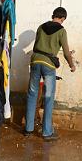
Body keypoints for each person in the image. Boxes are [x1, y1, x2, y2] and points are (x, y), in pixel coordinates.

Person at [23, 7, 76, 141]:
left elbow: (36, 46)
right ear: (63, 18)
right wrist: (72, 64)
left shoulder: (41, 27)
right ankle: (47, 132)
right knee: (48, 97)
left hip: (35, 61)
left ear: (53, 15)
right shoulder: (62, 31)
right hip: (48, 65)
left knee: (32, 94)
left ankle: (28, 129)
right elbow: (66, 52)